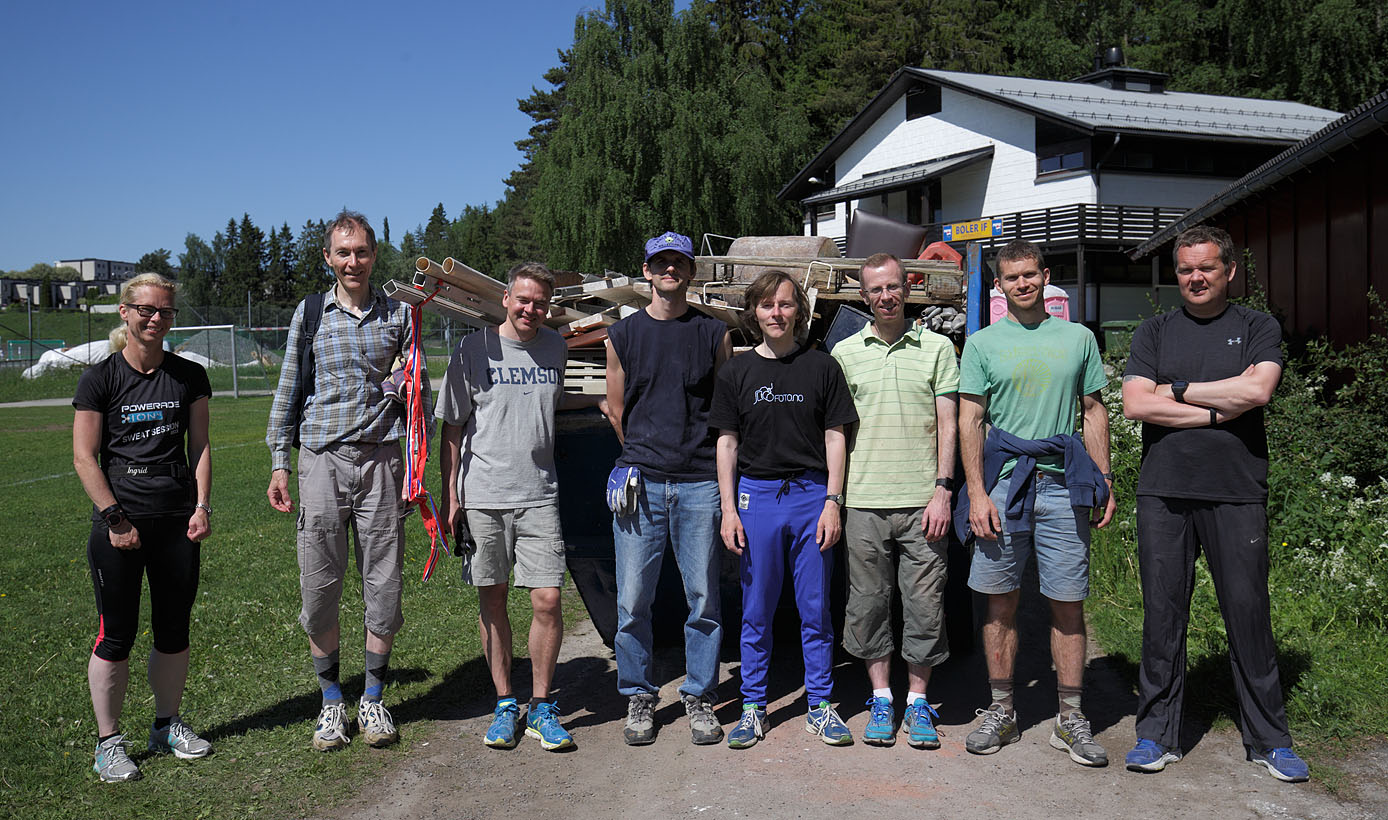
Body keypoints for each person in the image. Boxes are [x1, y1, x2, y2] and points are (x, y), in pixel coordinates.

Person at [1120, 226, 1308, 782]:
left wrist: (1175, 390)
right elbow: (1136, 404)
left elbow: (1258, 391)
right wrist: (1214, 407)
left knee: (1248, 614)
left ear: (1229, 270)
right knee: (1162, 616)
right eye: (1185, 269)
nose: (1195, 278)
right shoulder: (1154, 331)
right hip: (1164, 490)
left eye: (1205, 267)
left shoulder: (1256, 326)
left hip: (1236, 490)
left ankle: (1269, 740)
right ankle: (1156, 735)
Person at [266, 209, 427, 751]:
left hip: (382, 463)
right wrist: (279, 461)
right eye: (343, 252)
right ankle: (332, 701)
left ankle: (374, 699)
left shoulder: (401, 313)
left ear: (374, 255)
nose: (352, 261)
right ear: (328, 258)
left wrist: (415, 455)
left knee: (384, 584)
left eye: (361, 252)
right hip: (321, 461)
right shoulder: (311, 312)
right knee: (319, 588)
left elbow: (417, 389)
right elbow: (289, 386)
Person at [958, 239, 1116, 767]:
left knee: (1068, 602)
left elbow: (1092, 411)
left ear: (1046, 277)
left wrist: (1104, 480)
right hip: (1003, 487)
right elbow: (971, 419)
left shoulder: (1078, 338)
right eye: (1012, 277)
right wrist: (976, 493)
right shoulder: (982, 343)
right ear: (999, 285)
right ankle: (1001, 710)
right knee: (999, 601)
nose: (1022, 284)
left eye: (1030, 274)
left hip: (1064, 485)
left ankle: (1070, 717)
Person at [438, 262, 605, 752]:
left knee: (548, 600)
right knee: (492, 600)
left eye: (540, 303)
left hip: (539, 494)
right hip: (484, 496)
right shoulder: (473, 350)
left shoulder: (555, 347)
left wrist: (596, 401)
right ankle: (505, 703)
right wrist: (451, 496)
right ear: (506, 299)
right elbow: (452, 427)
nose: (531, 309)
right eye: (523, 300)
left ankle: (542, 706)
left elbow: (545, 401)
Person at [711, 270, 859, 749]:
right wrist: (729, 509)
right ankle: (753, 706)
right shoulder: (736, 373)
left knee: (815, 609)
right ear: (754, 312)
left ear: (800, 311)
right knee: (756, 610)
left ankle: (820, 705)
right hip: (756, 499)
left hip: (811, 498)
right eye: (767, 305)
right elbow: (727, 444)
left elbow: (836, 437)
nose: (776, 313)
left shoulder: (822, 367)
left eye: (786, 304)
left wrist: (833, 502)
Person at [74, 273, 213, 782]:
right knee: (117, 634)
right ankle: (108, 743)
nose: (156, 318)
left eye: (165, 311)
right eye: (146, 310)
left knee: (174, 629)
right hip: (120, 526)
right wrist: (115, 518)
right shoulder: (100, 378)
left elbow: (199, 446)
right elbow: (84, 457)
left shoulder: (189, 375)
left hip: (177, 523)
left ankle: (166, 724)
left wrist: (202, 507)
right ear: (125, 312)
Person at [603, 231, 732, 746]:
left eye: (678, 262)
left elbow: (726, 412)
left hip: (700, 483)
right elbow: (617, 410)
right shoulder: (622, 335)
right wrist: (643, 453)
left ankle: (700, 695)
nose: (669, 270)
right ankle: (639, 694)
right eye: (661, 262)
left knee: (703, 599)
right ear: (647, 271)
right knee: (633, 599)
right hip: (641, 484)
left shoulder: (714, 334)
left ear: (691, 271)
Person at [831, 253, 959, 750]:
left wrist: (943, 489)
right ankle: (882, 698)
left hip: (923, 502)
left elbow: (948, 423)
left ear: (908, 288)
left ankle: (919, 703)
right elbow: (836, 432)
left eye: (893, 287)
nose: (886, 297)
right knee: (867, 606)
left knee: (925, 606)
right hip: (864, 501)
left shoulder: (937, 348)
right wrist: (835, 498)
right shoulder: (845, 353)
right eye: (876, 290)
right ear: (864, 297)